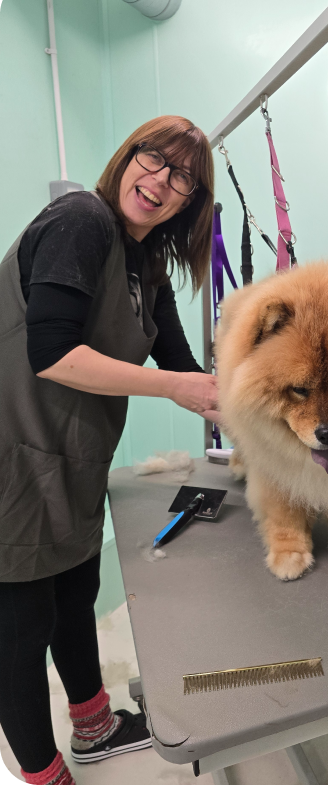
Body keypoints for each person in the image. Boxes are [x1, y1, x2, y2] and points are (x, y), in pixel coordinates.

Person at [0, 116, 220, 785]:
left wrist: (264, 404)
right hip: (14, 455)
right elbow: (53, 353)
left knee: (76, 594)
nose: (159, 180)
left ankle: (93, 725)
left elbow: (189, 369)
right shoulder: (81, 221)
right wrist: (176, 388)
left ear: (190, 202)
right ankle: (41, 773)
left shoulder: (146, 264)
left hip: (73, 461)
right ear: (128, 156)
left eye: (181, 176)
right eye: (153, 158)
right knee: (20, 631)